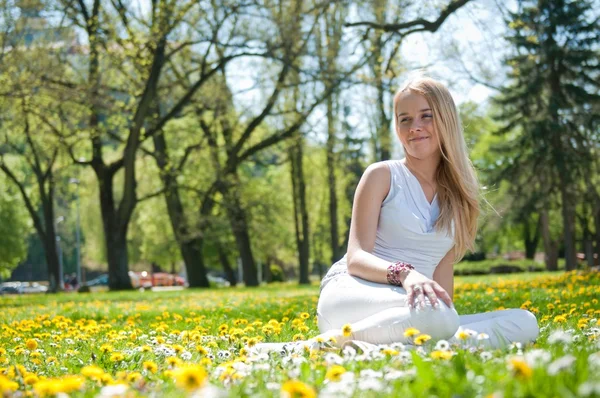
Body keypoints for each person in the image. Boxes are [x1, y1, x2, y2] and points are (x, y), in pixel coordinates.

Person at [257, 75, 539, 353]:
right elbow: (356, 258)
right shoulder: (381, 175)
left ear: (446, 120)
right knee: (440, 318)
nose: (414, 127)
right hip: (353, 293)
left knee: (524, 322)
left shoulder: (459, 196)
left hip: (413, 310)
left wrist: (437, 317)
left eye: (425, 116)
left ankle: (396, 350)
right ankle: (313, 347)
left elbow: (444, 297)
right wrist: (406, 274)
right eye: (405, 119)